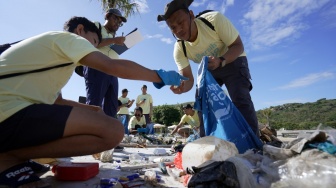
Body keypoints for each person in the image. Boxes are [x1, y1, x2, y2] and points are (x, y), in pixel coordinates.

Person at [0, 16, 187, 187]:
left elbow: (58, 101)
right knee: (113, 131)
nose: (96, 48)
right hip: (8, 113)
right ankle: (9, 156)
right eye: (95, 42)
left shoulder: (51, 54)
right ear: (80, 30)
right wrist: (159, 76)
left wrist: (91, 109)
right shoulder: (68, 38)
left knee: (101, 126)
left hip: (10, 115)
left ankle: (15, 153)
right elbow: (111, 65)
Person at [157, 0, 259, 136]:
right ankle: (206, 141)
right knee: (202, 104)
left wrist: (221, 60)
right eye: (173, 28)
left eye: (181, 22)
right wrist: (182, 88)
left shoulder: (214, 20)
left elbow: (238, 45)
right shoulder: (179, 49)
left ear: (191, 15)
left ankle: (253, 143)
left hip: (231, 58)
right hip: (210, 68)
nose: (179, 30)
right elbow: (188, 80)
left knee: (239, 97)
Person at [83, 8, 127, 118]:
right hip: (97, 67)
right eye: (116, 19)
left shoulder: (113, 37)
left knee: (111, 108)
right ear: (107, 16)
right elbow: (92, 43)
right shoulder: (96, 26)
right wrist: (114, 41)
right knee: (94, 104)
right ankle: (90, 133)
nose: (118, 23)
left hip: (112, 72)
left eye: (120, 23)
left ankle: (106, 134)